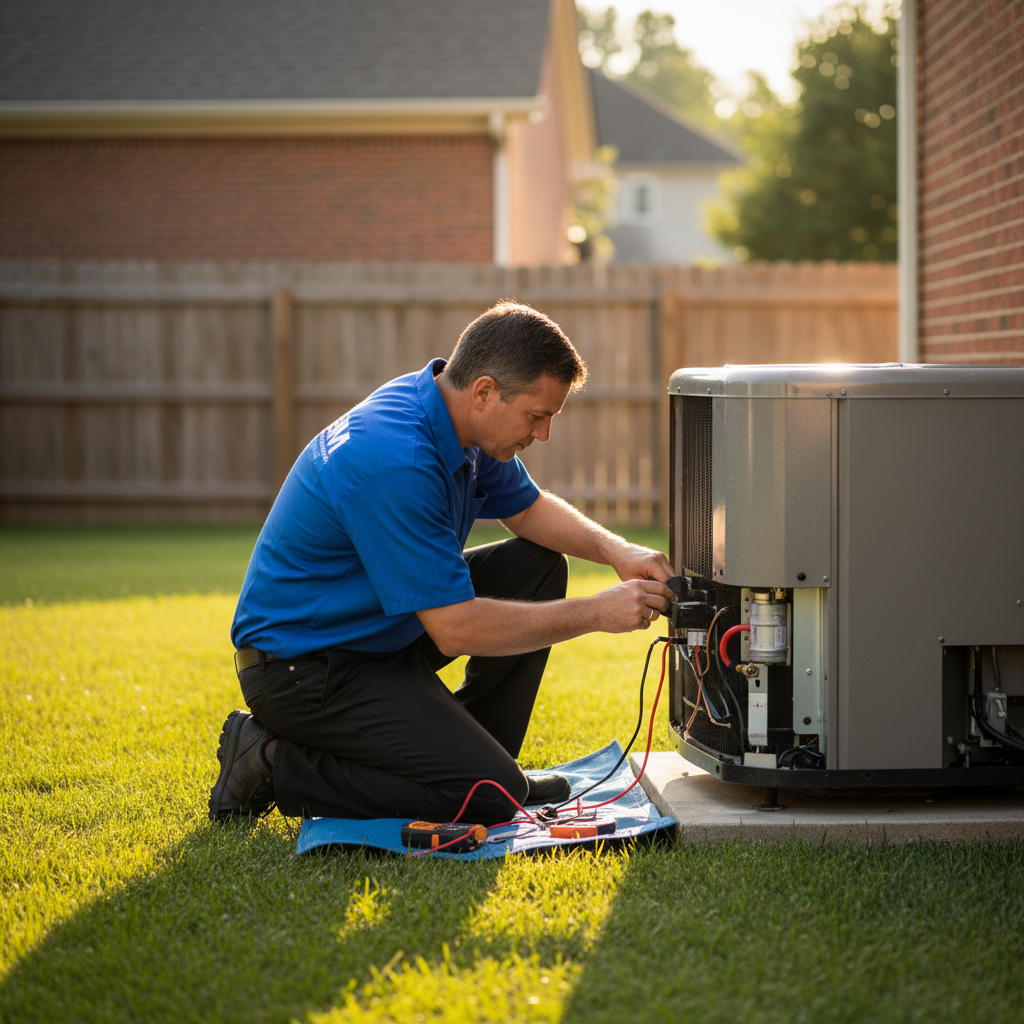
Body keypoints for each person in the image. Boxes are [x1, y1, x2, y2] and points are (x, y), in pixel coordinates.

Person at [209, 302, 674, 826]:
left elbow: (528, 509)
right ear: (484, 391)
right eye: (536, 416)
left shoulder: (451, 418)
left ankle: (485, 765)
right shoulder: (397, 459)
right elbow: (453, 629)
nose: (542, 434)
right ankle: (270, 761)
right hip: (303, 669)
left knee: (536, 566)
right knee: (490, 800)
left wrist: (620, 552)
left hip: (375, 634)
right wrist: (595, 613)